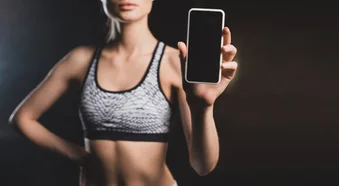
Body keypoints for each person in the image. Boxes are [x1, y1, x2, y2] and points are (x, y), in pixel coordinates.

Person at [8, 0, 238, 185]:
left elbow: (203, 165)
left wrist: (204, 107)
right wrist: (78, 156)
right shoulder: (80, 60)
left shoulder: (173, 62)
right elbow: (22, 119)